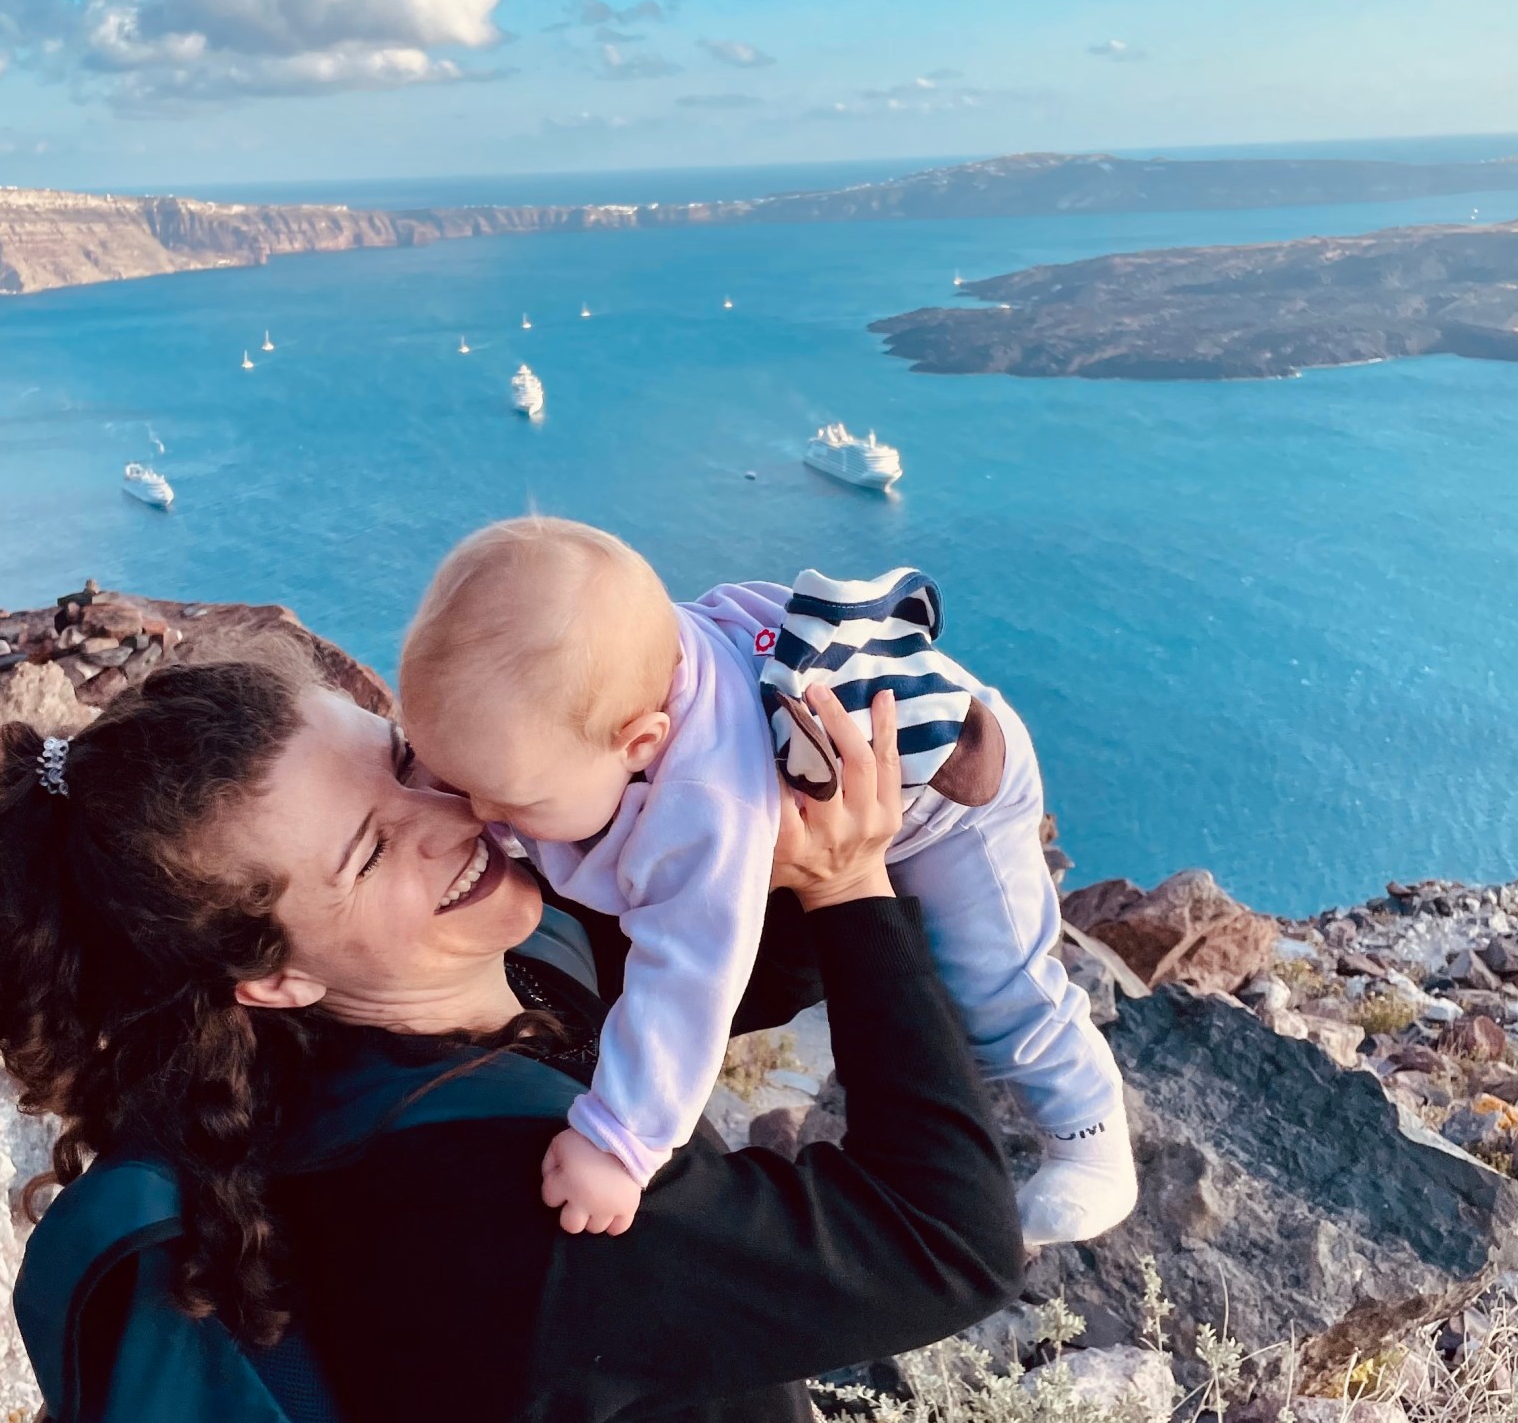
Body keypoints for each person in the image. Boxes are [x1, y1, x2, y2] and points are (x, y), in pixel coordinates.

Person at [0, 653, 1024, 1423]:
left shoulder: (423, 1004)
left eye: (398, 758)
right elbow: (944, 1245)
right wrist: (853, 884)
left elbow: (711, 962)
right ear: (271, 975)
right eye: (371, 852)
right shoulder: (509, 1210)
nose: (453, 818)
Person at [398, 517, 1135, 1247]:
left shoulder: (705, 803)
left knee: (992, 986)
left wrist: (620, 1140)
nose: (479, 813)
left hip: (949, 802)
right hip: (825, 771)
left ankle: (1089, 1134)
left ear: (641, 744)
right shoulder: (602, 684)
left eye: (512, 802)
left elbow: (689, 976)